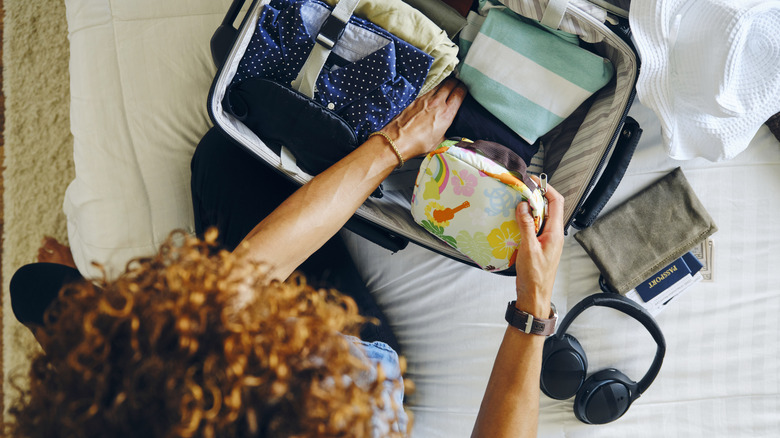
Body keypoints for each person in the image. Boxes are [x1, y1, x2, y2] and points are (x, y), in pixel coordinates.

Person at [7, 78, 564, 437]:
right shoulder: (326, 405)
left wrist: (396, 143)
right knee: (223, 163)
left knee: (33, 289)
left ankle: (140, 344)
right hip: (336, 375)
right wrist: (532, 315)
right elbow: (248, 277)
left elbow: (247, 274)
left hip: (181, 383)